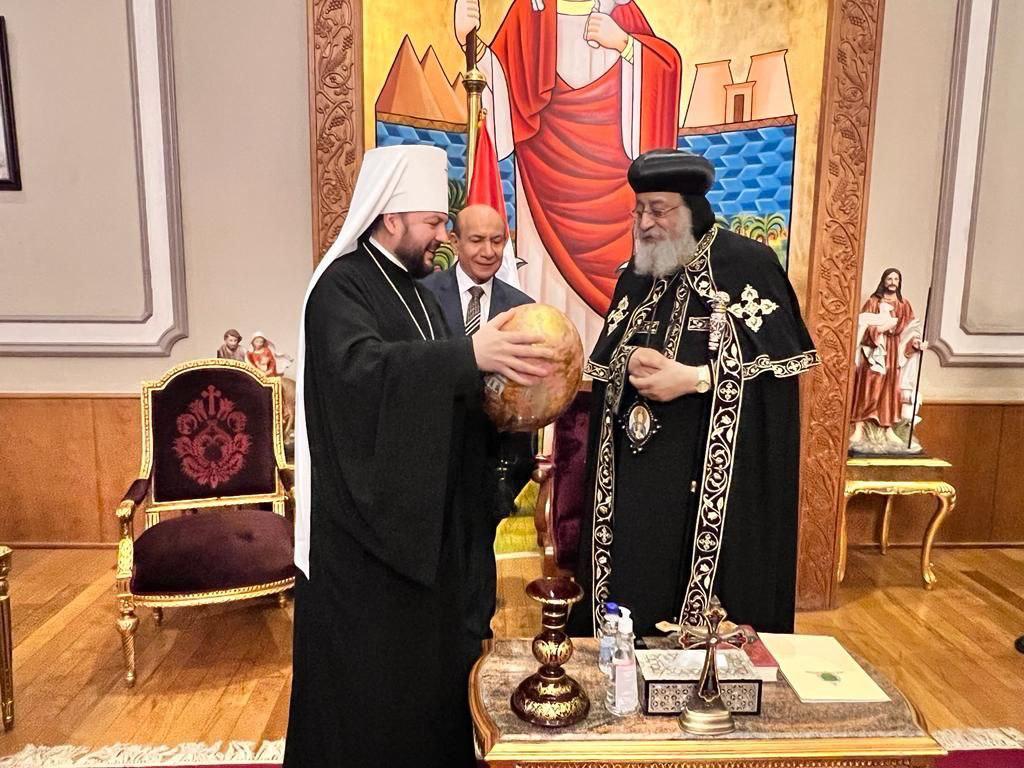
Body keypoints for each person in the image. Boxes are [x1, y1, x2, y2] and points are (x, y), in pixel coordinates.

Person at [285, 144, 553, 768]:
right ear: (391, 218)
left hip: (425, 530)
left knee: (427, 685)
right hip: (363, 540)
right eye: (433, 222)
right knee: (369, 692)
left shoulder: (419, 294)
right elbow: (361, 374)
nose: (441, 237)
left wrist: (510, 415)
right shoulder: (341, 288)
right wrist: (467, 355)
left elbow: (442, 391)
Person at [567, 149, 819, 640]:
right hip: (636, 485)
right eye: (639, 210)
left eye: (659, 210)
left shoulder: (749, 265)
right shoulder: (636, 273)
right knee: (634, 595)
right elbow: (605, 359)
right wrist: (626, 361)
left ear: (692, 210)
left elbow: (778, 381)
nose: (645, 223)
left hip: (711, 483)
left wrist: (696, 378)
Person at [453, 0, 681, 337]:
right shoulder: (529, 11)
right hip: (543, 186)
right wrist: (469, 43)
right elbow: (499, 86)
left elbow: (666, 69)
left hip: (613, 196)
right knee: (543, 301)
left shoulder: (621, 11)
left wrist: (626, 45)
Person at [420, 202, 535, 638]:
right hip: (433, 451)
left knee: (476, 558)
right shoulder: (423, 296)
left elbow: (530, 388)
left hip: (493, 458)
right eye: (476, 240)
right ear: (454, 242)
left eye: (497, 240)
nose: (488, 251)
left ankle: (476, 644)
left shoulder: (522, 308)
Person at [849, 268, 926, 453]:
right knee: (868, 385)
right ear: (884, 281)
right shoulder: (873, 302)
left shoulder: (904, 305)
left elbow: (909, 331)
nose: (892, 282)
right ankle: (859, 426)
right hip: (873, 351)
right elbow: (862, 326)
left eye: (896, 279)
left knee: (889, 388)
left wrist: (915, 343)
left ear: (899, 282)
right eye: (889, 278)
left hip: (892, 350)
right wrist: (879, 331)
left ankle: (888, 427)